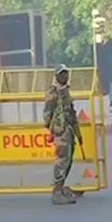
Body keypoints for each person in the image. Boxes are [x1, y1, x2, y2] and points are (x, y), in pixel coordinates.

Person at [44, 64, 83, 205]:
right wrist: (53, 130)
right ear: (57, 76)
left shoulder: (66, 92)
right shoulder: (53, 93)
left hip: (69, 129)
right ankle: (57, 190)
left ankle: (61, 187)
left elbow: (72, 113)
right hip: (61, 131)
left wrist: (78, 132)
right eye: (62, 74)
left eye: (66, 73)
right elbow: (47, 114)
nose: (65, 76)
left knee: (68, 160)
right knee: (61, 160)